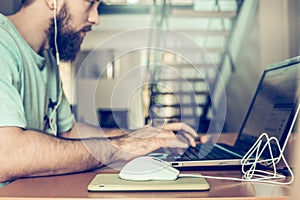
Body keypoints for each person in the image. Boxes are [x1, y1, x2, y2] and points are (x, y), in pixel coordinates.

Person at [0, 0, 197, 183]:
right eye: (89, 2)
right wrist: (120, 147)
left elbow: (67, 132)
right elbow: (7, 155)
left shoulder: (48, 56)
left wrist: (140, 137)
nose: (96, 18)